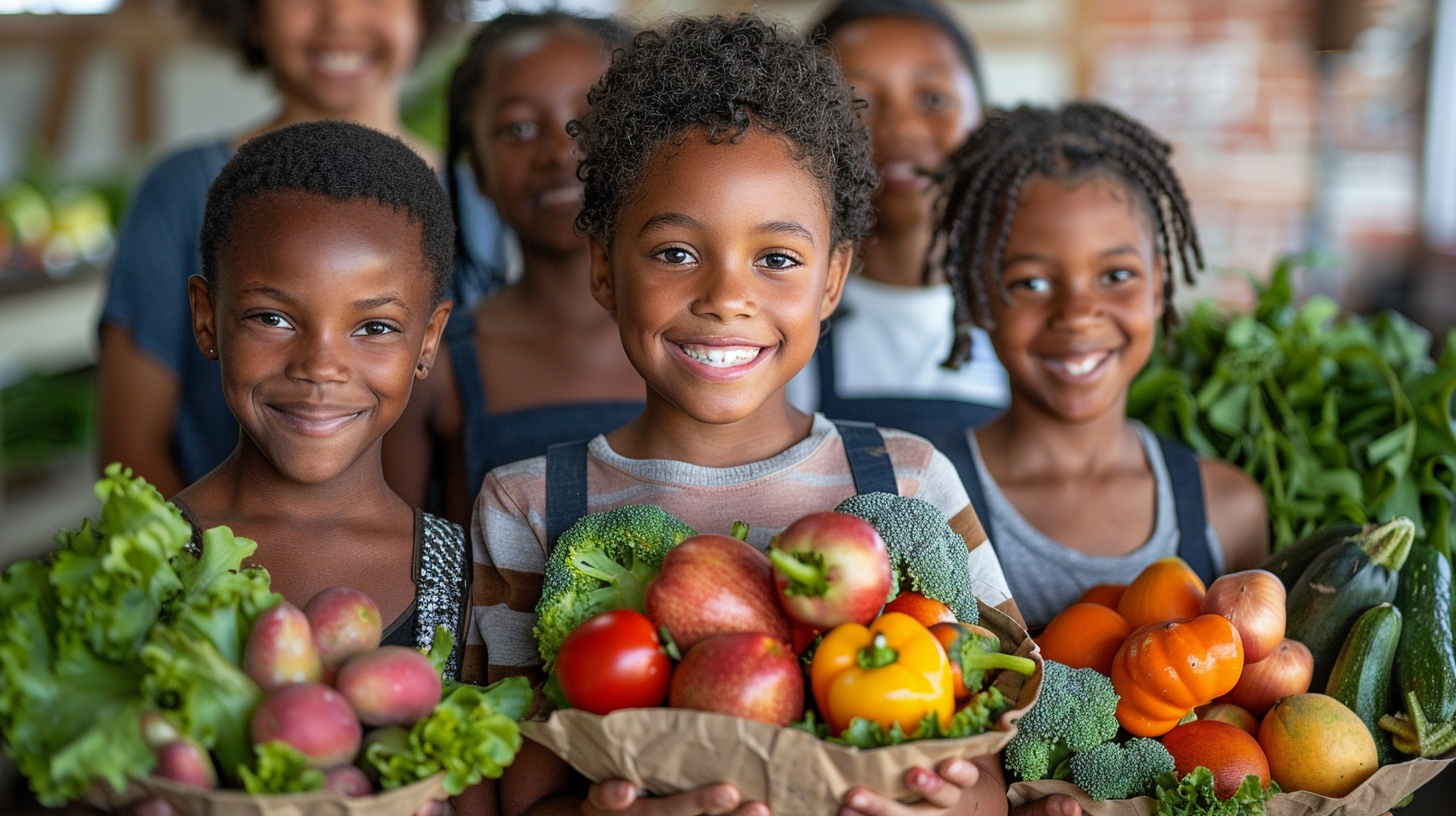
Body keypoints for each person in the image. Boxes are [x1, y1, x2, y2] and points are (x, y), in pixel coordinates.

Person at [461, 15, 1021, 816]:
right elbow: (520, 789)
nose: (727, 297)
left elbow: (993, 758)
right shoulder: (528, 506)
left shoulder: (911, 477)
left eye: (777, 260)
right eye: (676, 253)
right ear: (603, 270)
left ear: (833, 280)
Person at [95, 0, 494, 498]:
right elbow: (130, 447)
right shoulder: (180, 190)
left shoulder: (480, 197)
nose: (341, 19)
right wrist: (213, 571)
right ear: (253, 15)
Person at [932, 102, 1269, 633]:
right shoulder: (931, 501)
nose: (1078, 315)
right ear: (977, 299)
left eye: (1115, 276)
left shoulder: (1226, 511)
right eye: (1032, 283)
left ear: (1159, 285)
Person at [169, 120, 468, 676]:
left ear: (428, 340)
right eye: (273, 318)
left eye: (375, 327)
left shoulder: (468, 578)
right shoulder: (139, 563)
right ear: (207, 318)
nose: (321, 368)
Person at [382, 11, 644, 525]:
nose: (560, 150)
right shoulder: (436, 364)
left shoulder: (711, 339)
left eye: (592, 121)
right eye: (519, 128)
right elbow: (386, 563)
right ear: (476, 168)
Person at [785, 0, 1008, 439]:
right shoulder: (782, 321)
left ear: (981, 116)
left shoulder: (1033, 312)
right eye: (860, 101)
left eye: (933, 98)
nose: (902, 127)